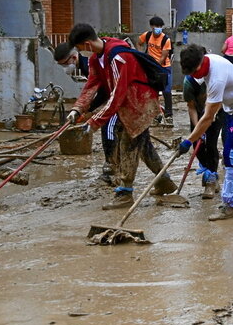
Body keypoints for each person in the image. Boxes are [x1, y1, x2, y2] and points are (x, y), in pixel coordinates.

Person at [67, 23, 177, 210]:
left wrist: (94, 121)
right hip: (129, 104)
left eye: (79, 48)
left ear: (86, 44)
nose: (80, 53)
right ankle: (164, 181)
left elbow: (117, 94)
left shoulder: (119, 57)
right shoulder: (96, 59)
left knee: (128, 145)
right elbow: (91, 86)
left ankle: (125, 193)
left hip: (139, 104)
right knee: (144, 146)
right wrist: (77, 109)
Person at [179, 46, 233, 221]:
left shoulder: (216, 77)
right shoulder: (207, 61)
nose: (194, 76)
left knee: (230, 155)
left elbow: (208, 117)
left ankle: (230, 206)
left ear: (201, 63)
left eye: (194, 72)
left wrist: (189, 141)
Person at [183, 49, 225, 199]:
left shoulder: (215, 76)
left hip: (216, 112)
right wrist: (197, 129)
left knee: (211, 145)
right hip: (199, 114)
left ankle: (210, 181)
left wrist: (210, 117)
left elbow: (220, 100)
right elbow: (191, 107)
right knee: (197, 145)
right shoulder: (189, 83)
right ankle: (209, 172)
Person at [139, 16, 173, 125]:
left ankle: (168, 115)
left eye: (160, 26)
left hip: (163, 67)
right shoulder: (147, 35)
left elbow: (163, 57)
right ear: (151, 27)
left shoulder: (166, 40)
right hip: (151, 67)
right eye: (156, 26)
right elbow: (139, 43)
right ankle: (156, 115)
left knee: (166, 91)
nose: (158, 28)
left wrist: (151, 64)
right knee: (153, 92)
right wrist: (141, 55)